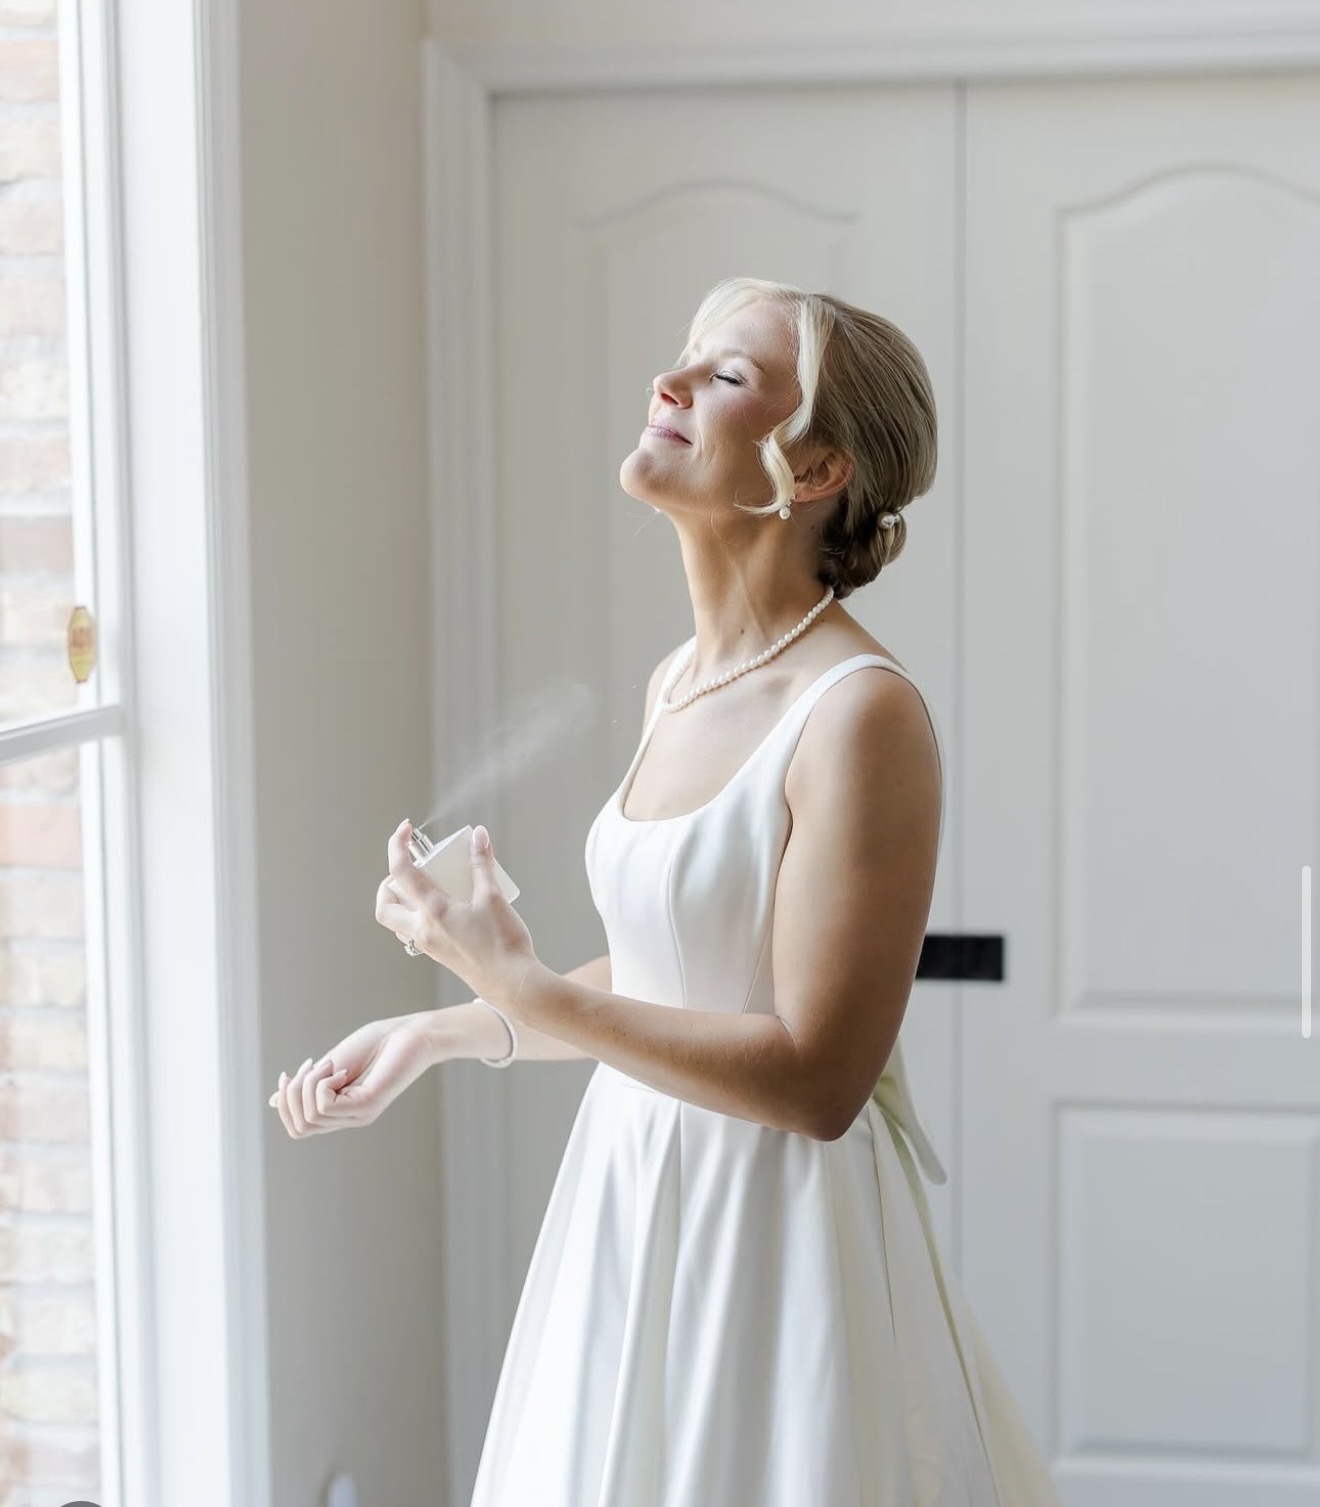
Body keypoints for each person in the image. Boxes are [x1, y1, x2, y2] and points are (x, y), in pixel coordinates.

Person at [269, 276, 1063, 1506]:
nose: (671, 383)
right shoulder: (674, 684)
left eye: (729, 374)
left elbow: (817, 1079)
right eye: (684, 359)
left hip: (774, 1239)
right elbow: (668, 980)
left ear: (815, 472)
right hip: (630, 1197)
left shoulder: (862, 717)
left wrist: (514, 977)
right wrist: (442, 1029)